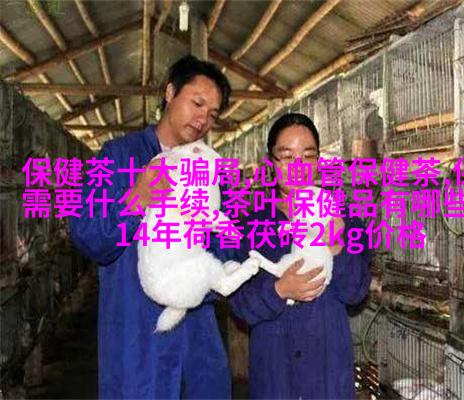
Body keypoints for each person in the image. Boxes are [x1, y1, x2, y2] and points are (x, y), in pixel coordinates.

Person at [68, 55, 233, 398]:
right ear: (170, 93)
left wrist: (200, 280)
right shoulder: (117, 157)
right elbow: (90, 237)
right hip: (136, 338)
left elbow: (227, 251)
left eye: (213, 114)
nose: (203, 119)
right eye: (197, 103)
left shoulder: (210, 170)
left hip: (196, 339)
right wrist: (137, 200)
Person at [227, 113, 373, 398]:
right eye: (286, 156)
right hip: (275, 370)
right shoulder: (251, 225)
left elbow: (356, 292)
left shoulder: (344, 218)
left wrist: (336, 247)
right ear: (271, 162)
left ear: (318, 161)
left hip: (327, 370)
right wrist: (279, 290)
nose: (298, 167)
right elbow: (239, 304)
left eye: (308, 156)